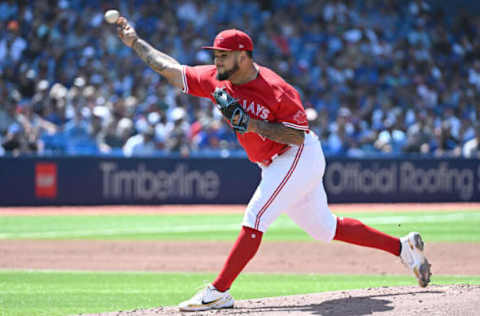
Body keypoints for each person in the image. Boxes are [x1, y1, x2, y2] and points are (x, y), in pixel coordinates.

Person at [114, 17, 431, 312]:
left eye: (223, 55)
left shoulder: (277, 89)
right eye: (215, 54)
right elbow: (170, 69)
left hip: (297, 154)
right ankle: (402, 248)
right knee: (324, 228)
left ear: (243, 56)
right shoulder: (215, 79)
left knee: (256, 215)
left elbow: (295, 136)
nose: (217, 60)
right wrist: (136, 42)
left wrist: (253, 125)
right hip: (273, 162)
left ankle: (219, 291)